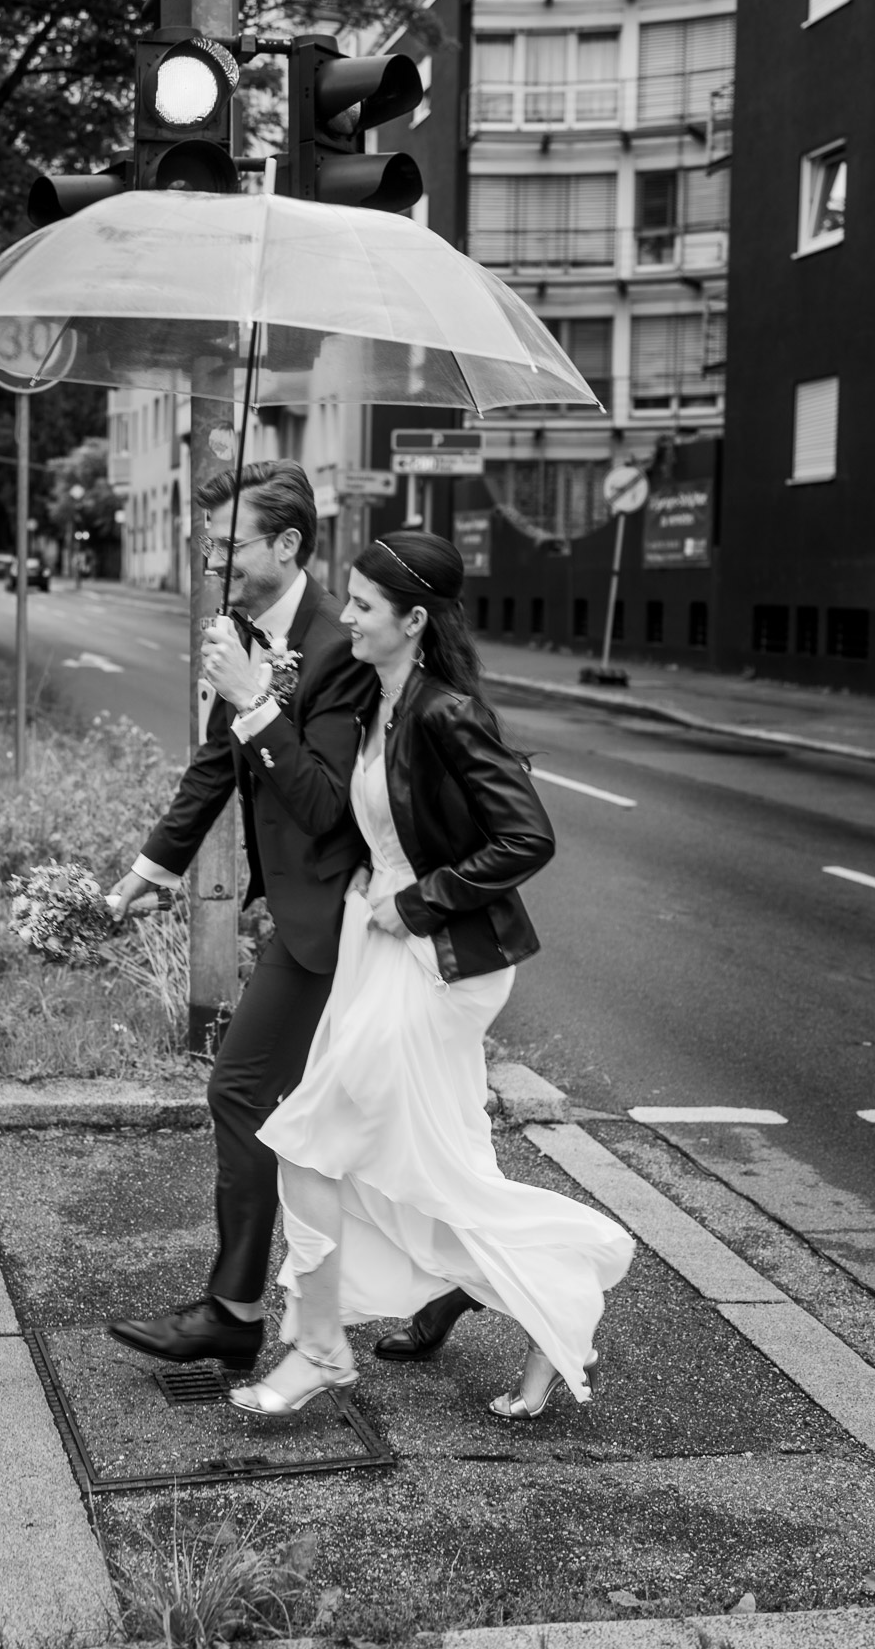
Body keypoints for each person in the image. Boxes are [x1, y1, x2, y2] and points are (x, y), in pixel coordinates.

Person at [226, 531, 634, 1422]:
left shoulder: (445, 713)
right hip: (381, 952)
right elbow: (356, 814)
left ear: (413, 622)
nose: (346, 616)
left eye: (364, 605)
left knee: (308, 1142)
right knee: (430, 1174)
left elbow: (527, 837)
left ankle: (320, 1349)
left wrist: (414, 902)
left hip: (438, 963)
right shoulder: (381, 699)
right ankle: (557, 1301)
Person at [106, 462, 377, 1373]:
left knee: (243, 1092)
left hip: (345, 912)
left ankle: (233, 1312)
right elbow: (214, 769)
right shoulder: (244, 634)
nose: (213, 559)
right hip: (306, 908)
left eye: (230, 544)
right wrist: (145, 873)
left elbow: (325, 807)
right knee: (367, 1123)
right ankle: (454, 1287)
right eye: (208, 544)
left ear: (288, 544)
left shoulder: (341, 643)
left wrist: (257, 700)